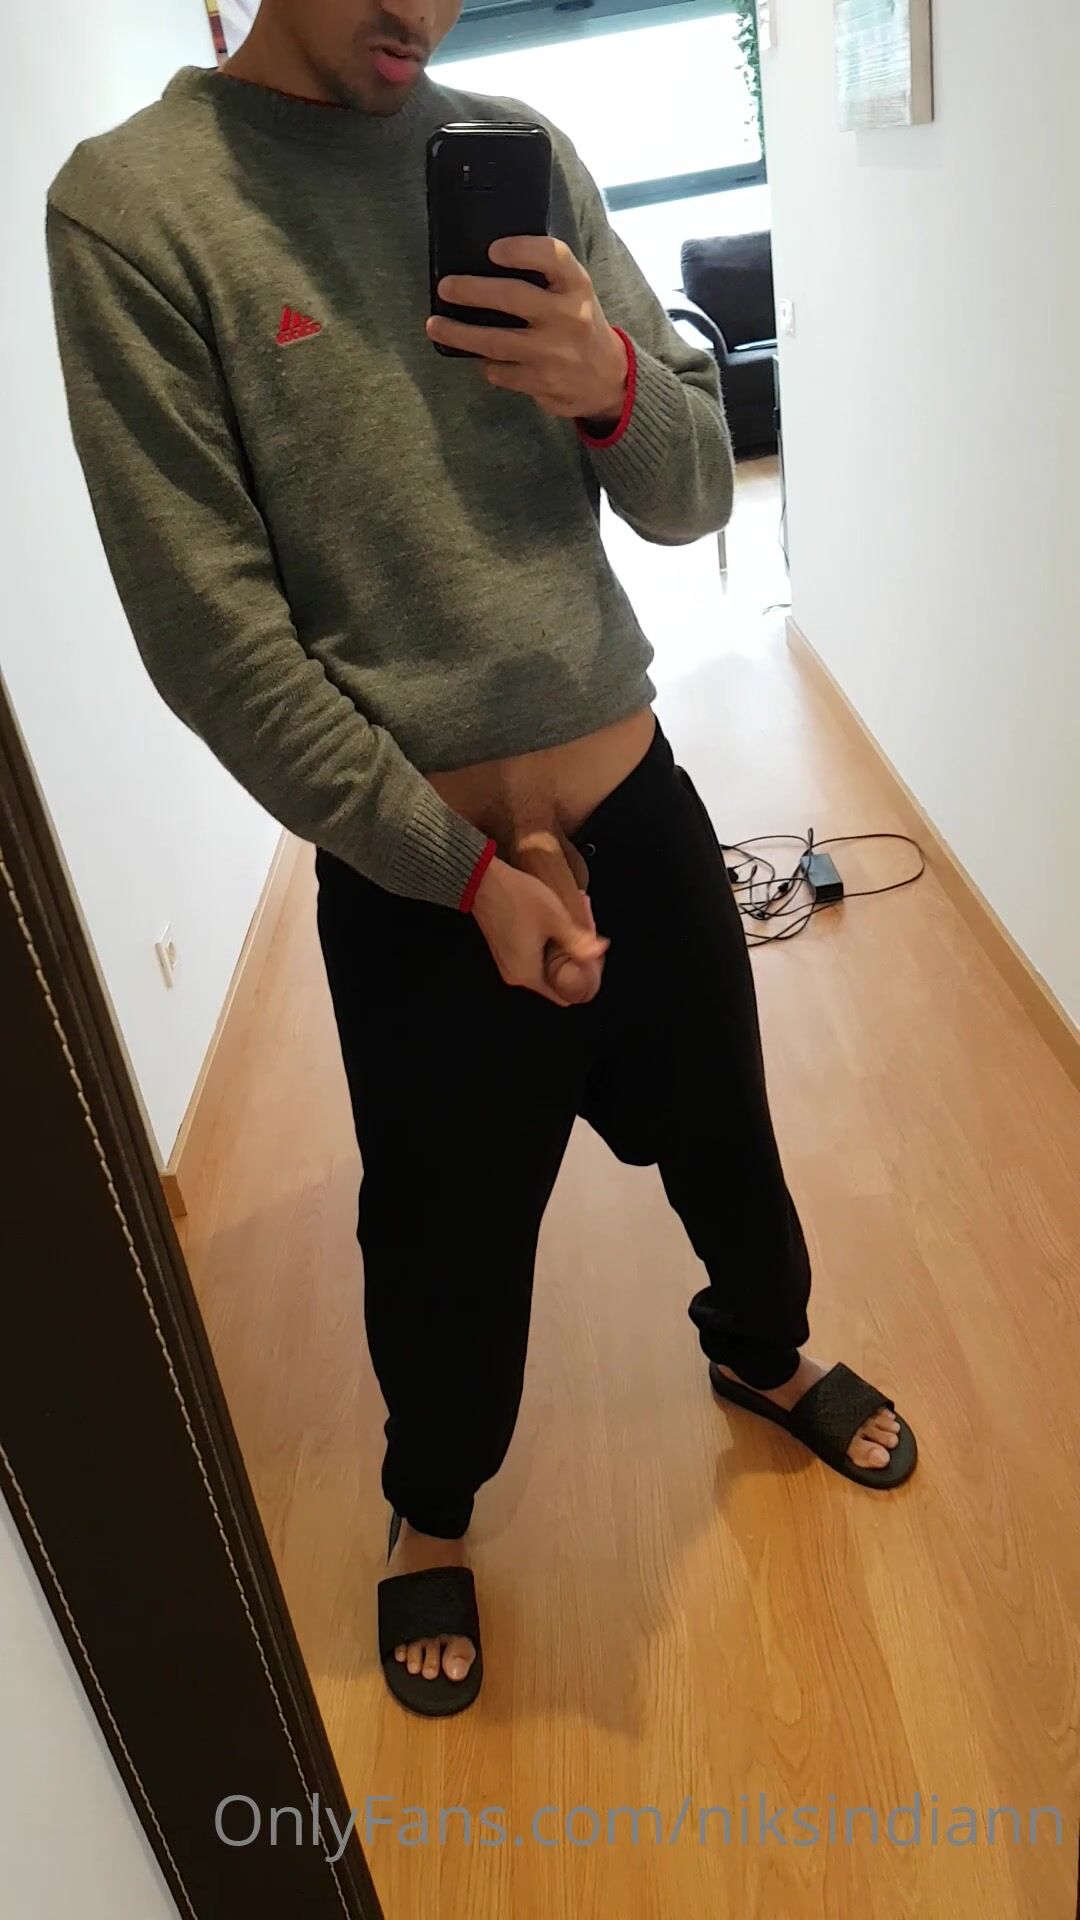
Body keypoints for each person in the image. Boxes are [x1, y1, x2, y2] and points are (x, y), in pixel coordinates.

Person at [47, 0, 916, 1719]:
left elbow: (692, 496)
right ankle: (430, 1507)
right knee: (441, 1244)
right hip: (416, 883)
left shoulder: (519, 155)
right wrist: (461, 873)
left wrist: (609, 389)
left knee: (732, 1144)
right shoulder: (134, 212)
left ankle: (761, 1353)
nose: (422, 10)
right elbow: (214, 638)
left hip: (638, 805)